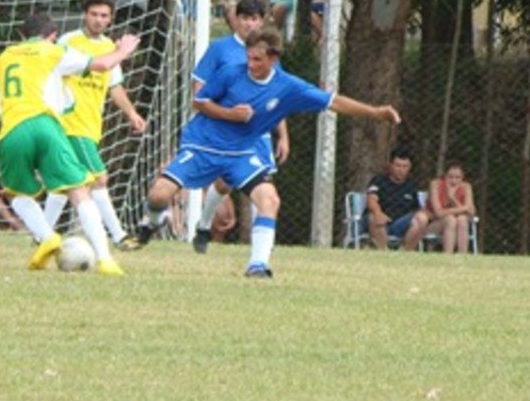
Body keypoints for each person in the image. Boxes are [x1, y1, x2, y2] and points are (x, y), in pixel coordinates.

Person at [137, 27, 401, 278]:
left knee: (269, 200)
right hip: (203, 144)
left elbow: (333, 101)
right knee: (159, 194)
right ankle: (152, 223)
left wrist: (375, 112)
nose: (251, 64)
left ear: (273, 58)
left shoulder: (289, 86)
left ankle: (258, 265)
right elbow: (199, 101)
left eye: (257, 59)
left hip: (241, 153)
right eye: (249, 58)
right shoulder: (230, 73)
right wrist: (230, 114)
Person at [0, 13, 141, 275]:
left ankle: (46, 237)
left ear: (22, 36)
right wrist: (123, 50)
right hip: (47, 126)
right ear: (52, 35)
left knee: (16, 193)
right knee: (79, 190)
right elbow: (102, 65)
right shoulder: (54, 51)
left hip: (13, 132)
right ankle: (105, 259)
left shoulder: (4, 58)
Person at [43, 0, 146, 251]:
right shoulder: (69, 41)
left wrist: (132, 113)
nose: (99, 20)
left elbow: (115, 87)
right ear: (85, 15)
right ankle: (119, 235)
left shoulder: (110, 48)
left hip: (90, 125)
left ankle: (41, 233)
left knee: (64, 182)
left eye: (104, 16)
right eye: (94, 14)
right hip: (71, 123)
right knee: (99, 178)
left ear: (110, 20)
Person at [188, 0, 289, 254]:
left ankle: (261, 248)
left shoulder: (269, 53)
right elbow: (199, 93)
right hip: (225, 131)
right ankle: (203, 225)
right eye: (244, 18)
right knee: (224, 183)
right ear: (236, 19)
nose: (249, 24)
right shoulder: (219, 50)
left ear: (262, 20)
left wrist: (283, 136)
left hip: (258, 132)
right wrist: (223, 114)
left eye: (254, 18)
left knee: (263, 186)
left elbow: (278, 98)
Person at [364, 148, 433, 251]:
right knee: (374, 217)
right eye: (398, 166)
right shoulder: (379, 180)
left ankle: (405, 253)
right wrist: (378, 213)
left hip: (400, 224)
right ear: (390, 165)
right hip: (381, 221)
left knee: (422, 218)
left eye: (405, 166)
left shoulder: (411, 185)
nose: (401, 170)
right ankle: (382, 253)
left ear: (410, 167)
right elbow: (371, 199)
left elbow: (416, 209)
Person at [427, 160, 476, 254]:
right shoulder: (435, 184)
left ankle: (463, 256)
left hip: (458, 225)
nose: (454, 181)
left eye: (458, 178)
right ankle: (448, 256)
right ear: (444, 176)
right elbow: (439, 213)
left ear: (463, 178)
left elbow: (471, 212)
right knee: (450, 219)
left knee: (462, 219)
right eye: (450, 177)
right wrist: (464, 208)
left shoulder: (466, 187)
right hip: (435, 225)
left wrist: (453, 199)